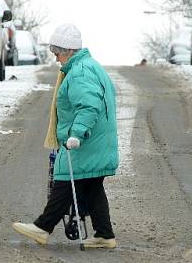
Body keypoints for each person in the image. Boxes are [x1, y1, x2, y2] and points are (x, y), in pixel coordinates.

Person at [12, 24, 119, 249]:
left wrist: (77, 134)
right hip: (97, 140)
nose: (56, 58)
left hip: (85, 141)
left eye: (57, 53)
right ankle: (104, 234)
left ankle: (43, 227)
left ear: (68, 50)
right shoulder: (88, 66)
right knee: (91, 185)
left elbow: (89, 106)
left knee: (64, 181)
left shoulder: (80, 72)